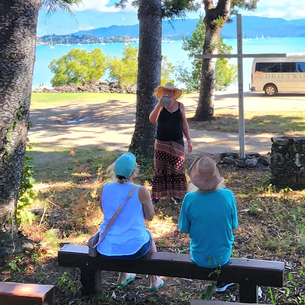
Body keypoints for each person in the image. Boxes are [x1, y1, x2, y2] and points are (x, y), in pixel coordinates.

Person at [96, 152, 165, 291]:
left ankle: (123, 277)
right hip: (134, 249)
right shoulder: (140, 190)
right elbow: (150, 217)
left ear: (114, 170)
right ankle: (154, 280)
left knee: (122, 233)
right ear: (133, 172)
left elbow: (105, 211)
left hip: (107, 247)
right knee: (147, 236)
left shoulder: (105, 188)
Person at [178, 156, 239, 293]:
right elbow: (234, 225)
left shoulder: (189, 199)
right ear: (217, 177)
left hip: (198, 256)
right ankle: (222, 281)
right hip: (223, 256)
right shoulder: (228, 195)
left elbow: (183, 228)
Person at [148, 82, 192, 203]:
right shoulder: (160, 106)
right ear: (163, 92)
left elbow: (184, 124)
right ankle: (157, 195)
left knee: (177, 168)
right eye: (166, 91)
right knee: (160, 169)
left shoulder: (180, 106)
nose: (168, 93)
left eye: (170, 91)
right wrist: (158, 105)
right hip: (162, 142)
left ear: (173, 92)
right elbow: (152, 120)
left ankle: (176, 194)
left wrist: (189, 140)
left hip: (177, 142)